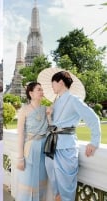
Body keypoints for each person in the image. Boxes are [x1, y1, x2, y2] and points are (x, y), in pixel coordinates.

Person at [45, 71, 101, 201]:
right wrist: (49, 115)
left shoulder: (74, 100)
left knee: (66, 186)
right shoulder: (55, 102)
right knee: (55, 185)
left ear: (60, 82)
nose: (52, 86)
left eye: (52, 83)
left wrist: (94, 142)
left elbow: (93, 119)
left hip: (66, 147)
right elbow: (52, 126)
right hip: (51, 146)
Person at [16, 82, 48, 201]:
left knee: (41, 181)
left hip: (44, 150)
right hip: (30, 149)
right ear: (31, 93)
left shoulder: (46, 109)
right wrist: (20, 158)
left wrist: (49, 117)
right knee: (28, 181)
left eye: (42, 89)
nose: (42, 92)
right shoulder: (24, 110)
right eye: (39, 89)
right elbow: (20, 134)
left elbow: (52, 130)